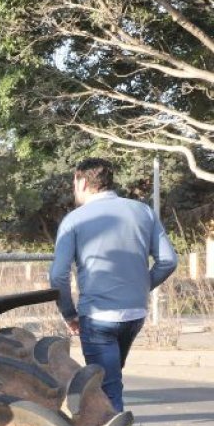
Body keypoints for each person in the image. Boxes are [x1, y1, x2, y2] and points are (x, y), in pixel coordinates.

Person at [49, 157, 178, 412]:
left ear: (83, 181)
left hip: (98, 317)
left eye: (74, 182)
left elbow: (58, 276)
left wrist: (69, 312)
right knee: (111, 379)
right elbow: (168, 261)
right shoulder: (143, 212)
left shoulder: (75, 220)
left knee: (108, 390)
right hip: (135, 314)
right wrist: (141, 287)